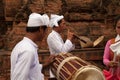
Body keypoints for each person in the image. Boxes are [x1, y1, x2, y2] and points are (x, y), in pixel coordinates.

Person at [11, 13, 55, 80]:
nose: (46, 34)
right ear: (40, 29)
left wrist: (45, 64)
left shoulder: (22, 45)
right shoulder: (28, 50)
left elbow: (31, 69)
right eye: (45, 30)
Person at [47, 14, 75, 79]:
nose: (65, 26)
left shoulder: (57, 35)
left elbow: (65, 49)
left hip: (61, 65)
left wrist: (72, 41)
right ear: (57, 25)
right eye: (63, 24)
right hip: (56, 66)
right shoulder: (52, 36)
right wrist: (68, 39)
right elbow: (62, 51)